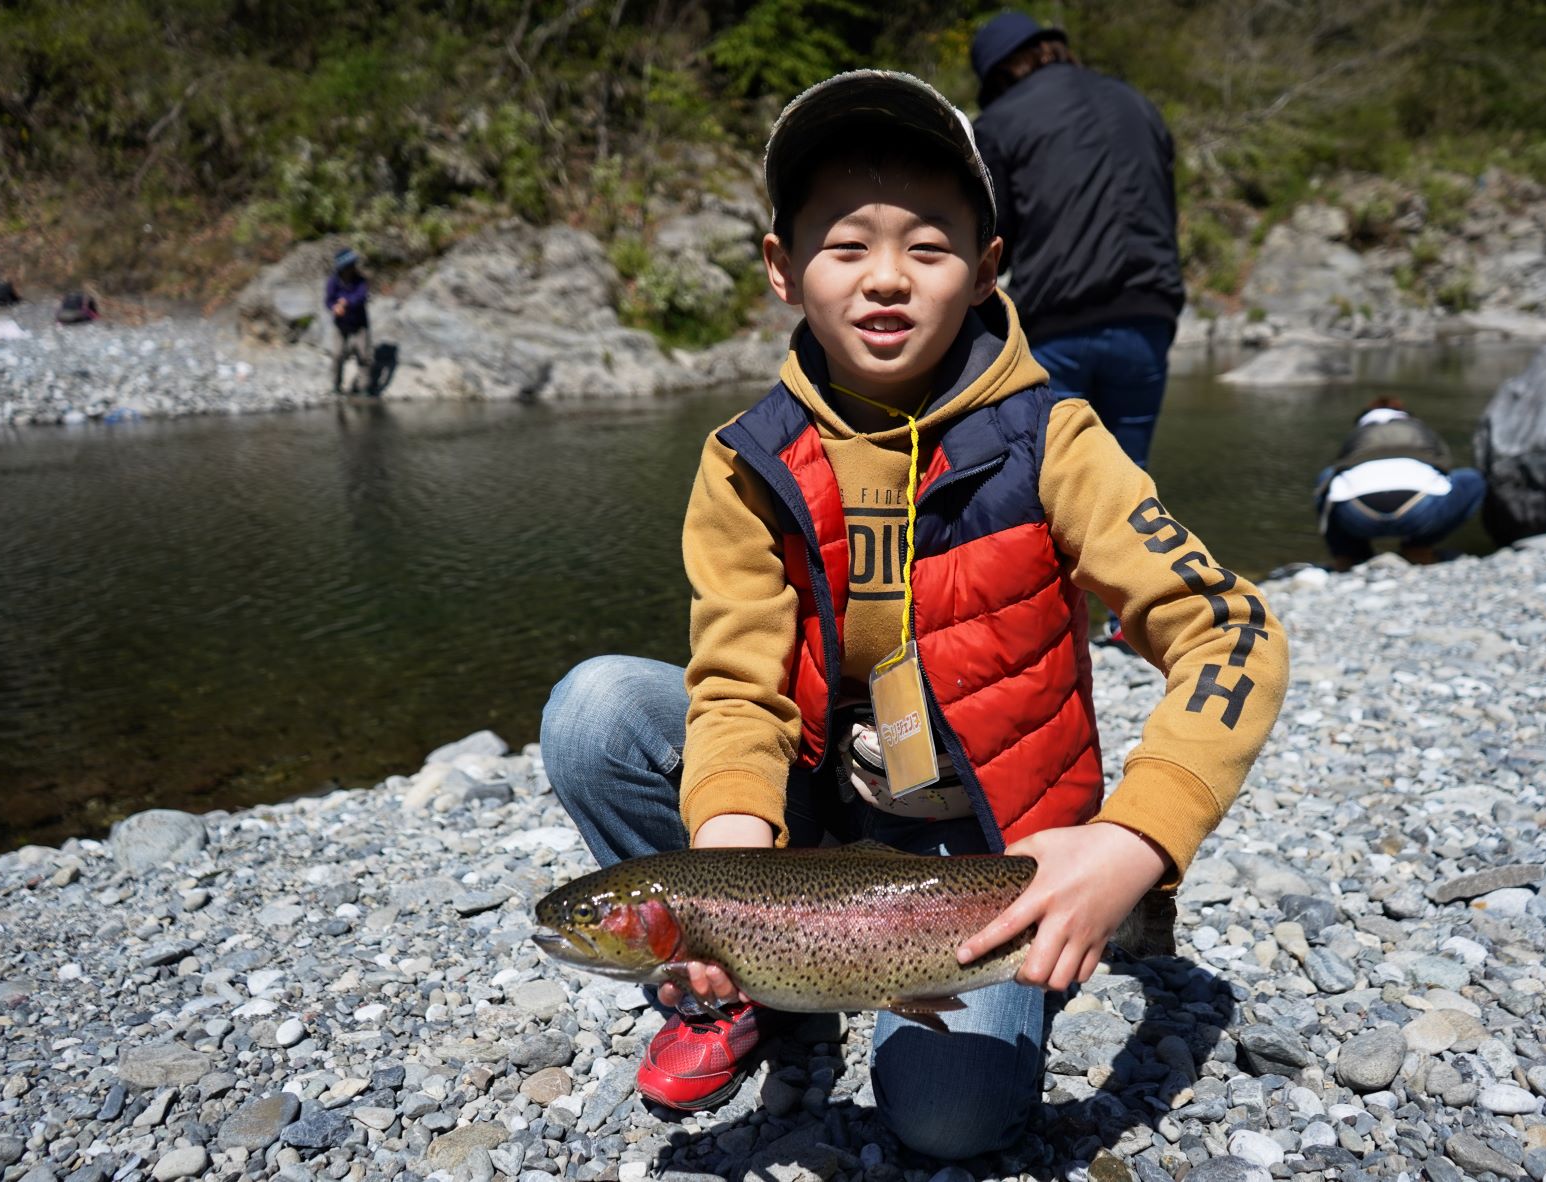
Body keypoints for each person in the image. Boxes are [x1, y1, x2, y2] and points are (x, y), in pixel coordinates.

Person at [538, 70, 1287, 1159]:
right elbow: (738, 688)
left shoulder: (1057, 440)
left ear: (987, 272)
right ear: (783, 271)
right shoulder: (744, 463)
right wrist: (723, 881)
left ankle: (976, 974)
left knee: (945, 1126)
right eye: (846, 247)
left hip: (983, 857)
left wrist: (1131, 847)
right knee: (597, 709)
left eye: (929, 248)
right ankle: (752, 992)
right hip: (816, 823)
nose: (887, 278)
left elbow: (1234, 631)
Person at [969, 12, 1184, 472]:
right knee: (1129, 487)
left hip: (1059, 322)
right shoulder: (1139, 104)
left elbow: (993, 231)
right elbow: (1164, 206)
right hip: (1148, 317)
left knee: (1051, 481)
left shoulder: (1001, 121)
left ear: (1003, 71)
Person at [1314, 398, 1487, 570]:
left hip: (1357, 517)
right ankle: (1419, 548)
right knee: (1472, 479)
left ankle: (1350, 557)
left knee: (1327, 477)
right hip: (1419, 514)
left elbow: (1338, 472)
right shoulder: (1419, 429)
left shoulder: (1356, 435)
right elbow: (1444, 469)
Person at [326, 248, 371, 395]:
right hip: (341, 324)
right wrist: (334, 307)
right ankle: (336, 386)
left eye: (353, 265)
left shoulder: (360, 280)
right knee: (337, 354)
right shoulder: (333, 281)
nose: (352, 268)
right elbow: (328, 301)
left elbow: (361, 297)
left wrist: (346, 302)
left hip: (359, 323)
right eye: (349, 266)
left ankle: (364, 387)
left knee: (363, 355)